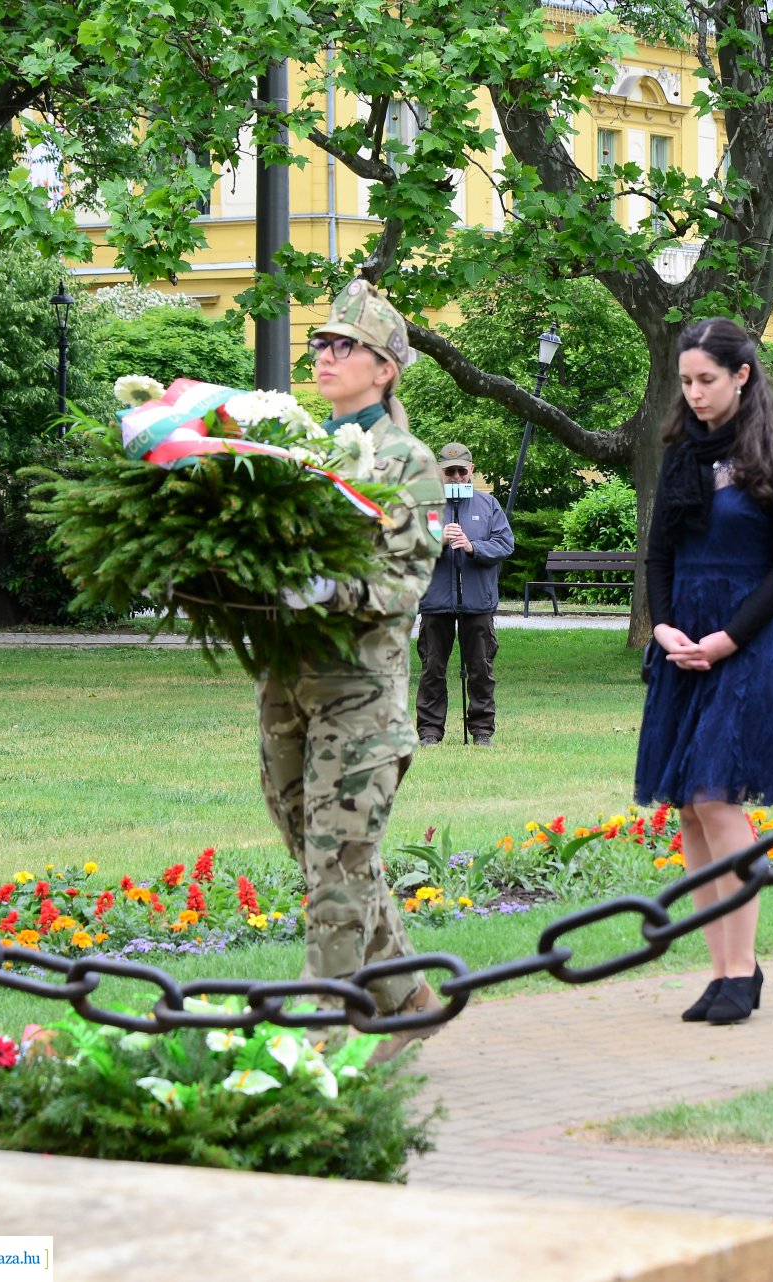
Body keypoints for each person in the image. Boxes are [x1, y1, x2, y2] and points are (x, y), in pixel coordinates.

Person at [264, 279, 445, 1064]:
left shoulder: (407, 461)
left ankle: (324, 1044)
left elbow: (406, 582)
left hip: (361, 693)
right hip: (288, 683)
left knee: (337, 868)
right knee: (318, 852)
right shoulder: (299, 450)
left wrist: (324, 589)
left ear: (386, 368)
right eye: (320, 342)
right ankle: (408, 998)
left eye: (345, 345)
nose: (325, 355)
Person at [636, 318, 773, 1027]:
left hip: (749, 643)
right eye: (686, 381)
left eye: (706, 379)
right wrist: (665, 627)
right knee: (688, 805)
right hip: (684, 643)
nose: (694, 393)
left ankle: (742, 970)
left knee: (716, 797)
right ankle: (721, 971)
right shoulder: (681, 456)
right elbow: (658, 554)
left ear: (742, 376)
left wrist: (727, 640)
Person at [416, 442, 515, 747]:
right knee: (432, 668)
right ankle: (430, 732)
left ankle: (482, 731)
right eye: (450, 472)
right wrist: (438, 541)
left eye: (462, 470)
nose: (457, 476)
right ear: (440, 473)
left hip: (477, 602)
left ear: (471, 470)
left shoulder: (488, 505)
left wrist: (473, 547)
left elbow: (505, 544)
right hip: (436, 602)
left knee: (481, 668)